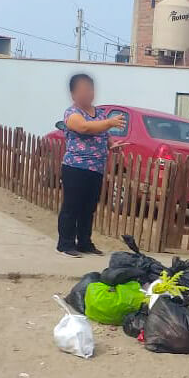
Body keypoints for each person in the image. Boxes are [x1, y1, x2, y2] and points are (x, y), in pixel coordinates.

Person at [56, 73, 126, 257]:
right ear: (73, 94)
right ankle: (65, 244)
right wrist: (110, 122)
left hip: (96, 168)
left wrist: (113, 145)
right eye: (83, 90)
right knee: (72, 206)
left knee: (88, 208)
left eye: (90, 89)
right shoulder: (72, 114)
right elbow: (84, 128)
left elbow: (105, 135)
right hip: (75, 167)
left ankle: (85, 242)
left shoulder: (100, 113)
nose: (88, 93)